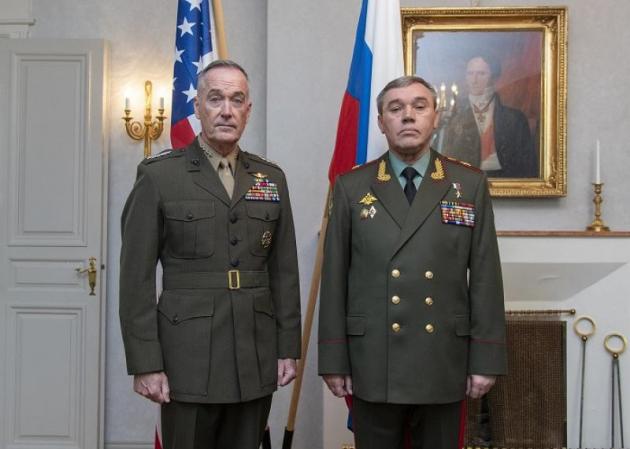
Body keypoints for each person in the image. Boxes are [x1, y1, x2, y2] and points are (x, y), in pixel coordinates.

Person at [119, 60, 301, 449]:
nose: (226, 110)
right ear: (197, 107)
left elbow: (284, 272)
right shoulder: (159, 176)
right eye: (215, 99)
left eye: (237, 100)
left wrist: (288, 347)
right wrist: (146, 362)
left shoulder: (271, 178)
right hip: (188, 358)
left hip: (253, 355)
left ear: (248, 110)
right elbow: (135, 279)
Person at [318, 75, 507, 448]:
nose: (408, 116)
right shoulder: (352, 187)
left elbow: (486, 278)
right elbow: (335, 277)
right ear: (381, 122)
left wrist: (486, 359)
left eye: (419, 106)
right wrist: (333, 358)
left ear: (435, 117)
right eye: (396, 108)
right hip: (373, 361)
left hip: (443, 360)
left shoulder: (468, 184)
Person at [442, 55, 537, 178]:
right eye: (470, 74)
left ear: (494, 77)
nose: (474, 80)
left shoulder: (515, 119)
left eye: (481, 74)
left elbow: (527, 166)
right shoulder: (455, 118)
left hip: (506, 182)